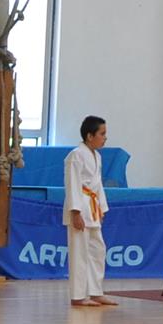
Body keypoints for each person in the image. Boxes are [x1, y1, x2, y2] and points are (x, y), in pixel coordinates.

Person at [64, 115, 114, 308]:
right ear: (89, 136)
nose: (105, 138)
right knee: (79, 253)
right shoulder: (75, 155)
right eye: (102, 134)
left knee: (98, 250)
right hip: (80, 206)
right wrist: (75, 212)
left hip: (93, 208)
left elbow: (98, 185)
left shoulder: (97, 156)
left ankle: (95, 291)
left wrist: (102, 207)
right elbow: (72, 184)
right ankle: (78, 296)